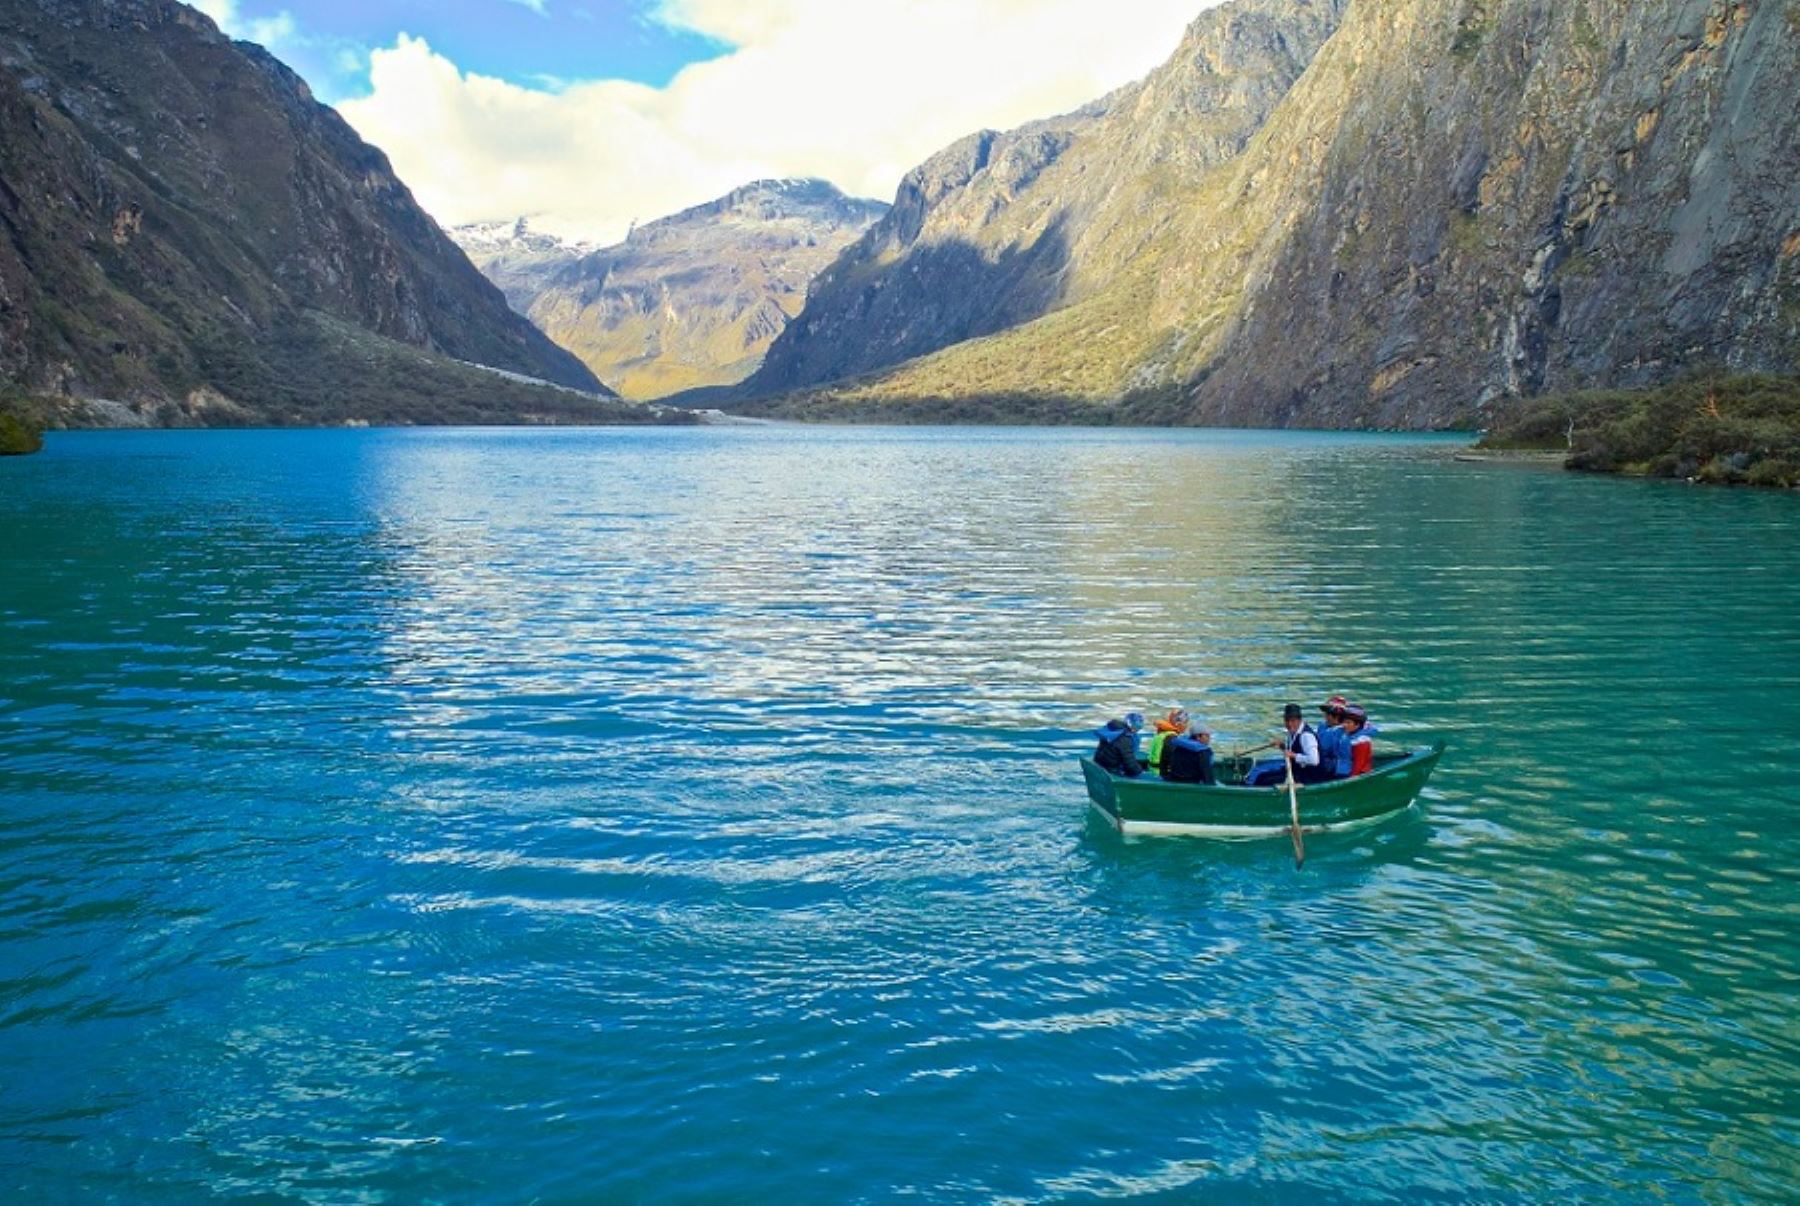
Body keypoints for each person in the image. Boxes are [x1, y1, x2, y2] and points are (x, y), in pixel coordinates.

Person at [1248, 704, 1322, 786]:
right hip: (1295, 772)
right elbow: (1293, 751)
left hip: (1308, 777)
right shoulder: (1293, 732)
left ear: (1299, 720)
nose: (1289, 724)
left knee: (1266, 781)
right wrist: (1282, 747)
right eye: (1287, 721)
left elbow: (1314, 760)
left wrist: (1294, 755)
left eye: (1293, 721)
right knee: (1261, 777)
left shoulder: (1306, 736)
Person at [1092, 712, 1147, 778]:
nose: (1137, 730)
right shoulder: (1125, 738)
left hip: (1099, 762)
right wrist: (1141, 773)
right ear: (1129, 724)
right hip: (1111, 769)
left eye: (1139, 727)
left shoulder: (1112, 729)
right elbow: (1130, 763)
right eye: (1136, 726)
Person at [1315, 696, 1351, 781]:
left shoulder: (1340, 731)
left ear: (1336, 716)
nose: (1325, 716)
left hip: (1337, 770)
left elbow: (1321, 748)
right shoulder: (1323, 726)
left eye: (1327, 714)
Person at [1146, 707, 1190, 775]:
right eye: (1185, 722)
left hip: (1152, 770)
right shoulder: (1171, 738)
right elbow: (1170, 760)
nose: (1186, 725)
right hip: (1159, 774)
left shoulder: (1162, 733)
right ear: (1178, 724)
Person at [1342, 705, 1375, 776]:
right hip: (1347, 769)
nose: (1344, 725)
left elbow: (1358, 764)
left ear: (1357, 725)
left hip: (1359, 772)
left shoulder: (1361, 741)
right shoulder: (1347, 735)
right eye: (1344, 722)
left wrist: (1352, 777)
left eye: (1348, 723)